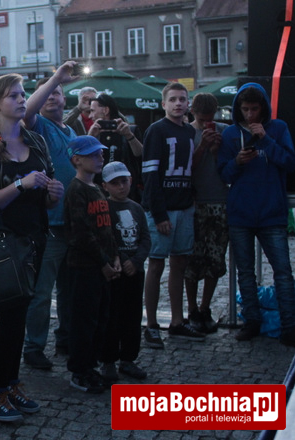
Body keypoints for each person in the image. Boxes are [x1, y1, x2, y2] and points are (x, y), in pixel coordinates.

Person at [0, 73, 63, 421]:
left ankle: (11, 384)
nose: (22, 100)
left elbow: (47, 196)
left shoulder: (36, 141)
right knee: (8, 321)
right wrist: (20, 185)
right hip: (3, 244)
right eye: (13, 96)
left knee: (19, 319)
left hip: (35, 240)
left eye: (23, 94)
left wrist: (53, 195)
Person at [218, 82, 295, 346]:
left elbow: (290, 162)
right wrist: (237, 162)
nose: (250, 114)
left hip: (272, 212)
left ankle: (289, 326)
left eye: (254, 109)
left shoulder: (279, 128)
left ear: (263, 108)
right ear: (238, 109)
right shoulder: (230, 134)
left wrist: (266, 139)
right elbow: (224, 173)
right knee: (245, 272)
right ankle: (251, 321)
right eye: (245, 109)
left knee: (282, 272)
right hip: (241, 212)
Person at [21, 60, 78, 368]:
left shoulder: (71, 130)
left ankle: (66, 337)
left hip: (73, 224)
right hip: (50, 226)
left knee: (69, 289)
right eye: (48, 93)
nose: (53, 96)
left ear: (65, 98)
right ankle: (33, 347)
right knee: (42, 292)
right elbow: (27, 112)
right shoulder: (39, 125)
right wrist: (56, 77)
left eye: (57, 92)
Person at [142, 82, 204, 350]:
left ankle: (177, 321)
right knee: (156, 265)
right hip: (162, 209)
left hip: (184, 207)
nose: (178, 103)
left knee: (179, 264)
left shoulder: (189, 131)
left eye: (182, 99)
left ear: (188, 103)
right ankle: (151, 324)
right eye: (173, 99)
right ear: (163, 104)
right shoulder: (156, 130)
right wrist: (158, 214)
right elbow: (150, 174)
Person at [63, 135, 119, 394]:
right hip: (84, 266)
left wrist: (114, 257)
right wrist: (103, 262)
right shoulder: (76, 190)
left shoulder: (96, 188)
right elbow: (81, 233)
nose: (100, 157)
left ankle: (91, 365)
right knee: (83, 320)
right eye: (93, 154)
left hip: (101, 266)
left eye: (100, 153)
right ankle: (79, 370)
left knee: (99, 318)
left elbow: (106, 229)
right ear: (77, 160)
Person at [99, 161, 150, 382]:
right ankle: (108, 359)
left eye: (124, 181)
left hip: (135, 272)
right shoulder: (105, 207)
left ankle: (128, 358)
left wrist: (136, 261)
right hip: (115, 272)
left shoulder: (136, 208)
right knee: (111, 316)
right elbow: (106, 238)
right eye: (115, 183)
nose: (121, 187)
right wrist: (121, 258)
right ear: (105, 186)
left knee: (132, 316)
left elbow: (145, 238)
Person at [184, 93, 229, 334]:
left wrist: (216, 151)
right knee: (192, 259)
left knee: (215, 258)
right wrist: (202, 147)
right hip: (194, 202)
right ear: (193, 112)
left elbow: (230, 169)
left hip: (219, 201)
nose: (206, 124)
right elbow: (185, 170)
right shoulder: (186, 132)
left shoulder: (224, 131)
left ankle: (205, 308)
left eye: (210, 119)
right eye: (202, 120)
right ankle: (192, 309)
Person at [87, 93, 144, 203]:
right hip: (100, 195)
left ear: (106, 110)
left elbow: (141, 155)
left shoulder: (128, 130)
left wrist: (129, 136)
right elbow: (82, 161)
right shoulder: (95, 133)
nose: (90, 116)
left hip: (127, 194)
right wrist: (90, 137)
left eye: (92, 111)